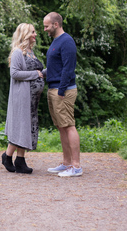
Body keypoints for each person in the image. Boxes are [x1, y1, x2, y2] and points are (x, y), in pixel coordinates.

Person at [2, 23, 45, 174]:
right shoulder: (17, 53)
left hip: (32, 99)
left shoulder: (31, 52)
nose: (36, 34)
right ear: (26, 34)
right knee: (21, 127)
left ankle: (20, 161)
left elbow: (38, 72)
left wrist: (47, 71)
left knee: (27, 128)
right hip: (21, 97)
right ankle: (7, 156)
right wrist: (36, 75)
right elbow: (14, 73)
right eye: (33, 32)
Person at [43, 12, 82, 177]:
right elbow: (55, 67)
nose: (45, 29)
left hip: (63, 90)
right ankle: (66, 163)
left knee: (68, 125)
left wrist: (61, 91)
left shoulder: (67, 41)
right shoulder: (55, 42)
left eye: (46, 26)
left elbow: (68, 68)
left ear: (55, 24)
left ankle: (76, 166)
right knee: (61, 127)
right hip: (54, 88)